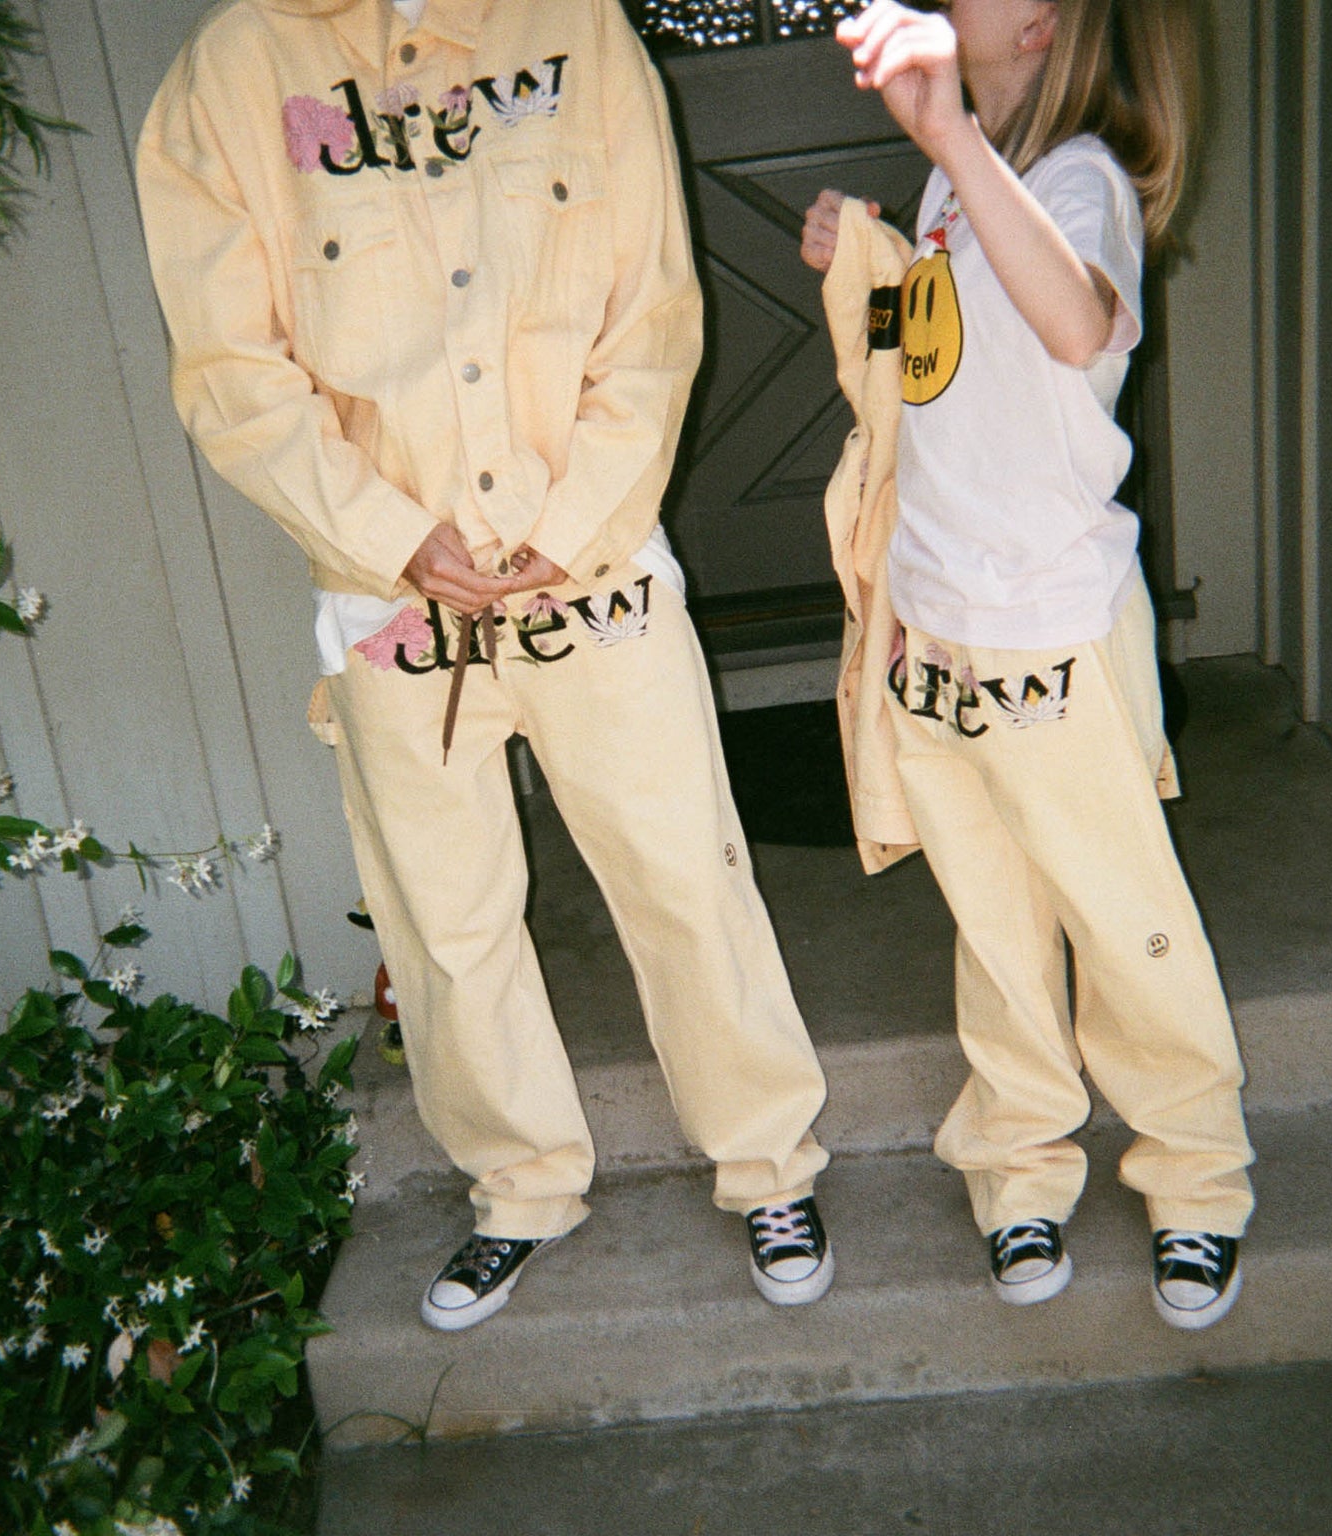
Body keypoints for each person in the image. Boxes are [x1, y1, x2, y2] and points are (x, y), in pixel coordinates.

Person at [135, 0, 834, 1332]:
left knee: (685, 874)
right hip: (390, 602)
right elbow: (229, 369)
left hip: (594, 572)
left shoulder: (575, 27)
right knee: (445, 918)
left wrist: (575, 523)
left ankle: (768, 1164)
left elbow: (653, 310)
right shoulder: (227, 76)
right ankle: (518, 1186)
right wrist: (391, 538)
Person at [801, 0, 1254, 1329]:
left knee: (1124, 922)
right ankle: (1018, 1166)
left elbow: (1071, 325)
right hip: (940, 624)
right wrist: (870, 268)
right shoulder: (957, 183)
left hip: (1052, 629)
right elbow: (938, 379)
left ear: (1045, 23)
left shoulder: (1078, 181)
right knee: (994, 928)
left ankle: (1195, 1175)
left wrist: (951, 139)